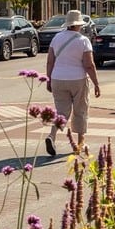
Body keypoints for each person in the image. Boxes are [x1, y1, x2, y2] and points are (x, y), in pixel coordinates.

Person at [45, 9, 101, 156]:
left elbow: (50, 61)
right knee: (80, 111)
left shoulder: (56, 38)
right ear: (79, 25)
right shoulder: (83, 41)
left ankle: (52, 135)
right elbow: (89, 65)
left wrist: (49, 79)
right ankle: (79, 144)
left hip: (58, 78)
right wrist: (96, 83)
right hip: (78, 79)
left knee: (61, 111)